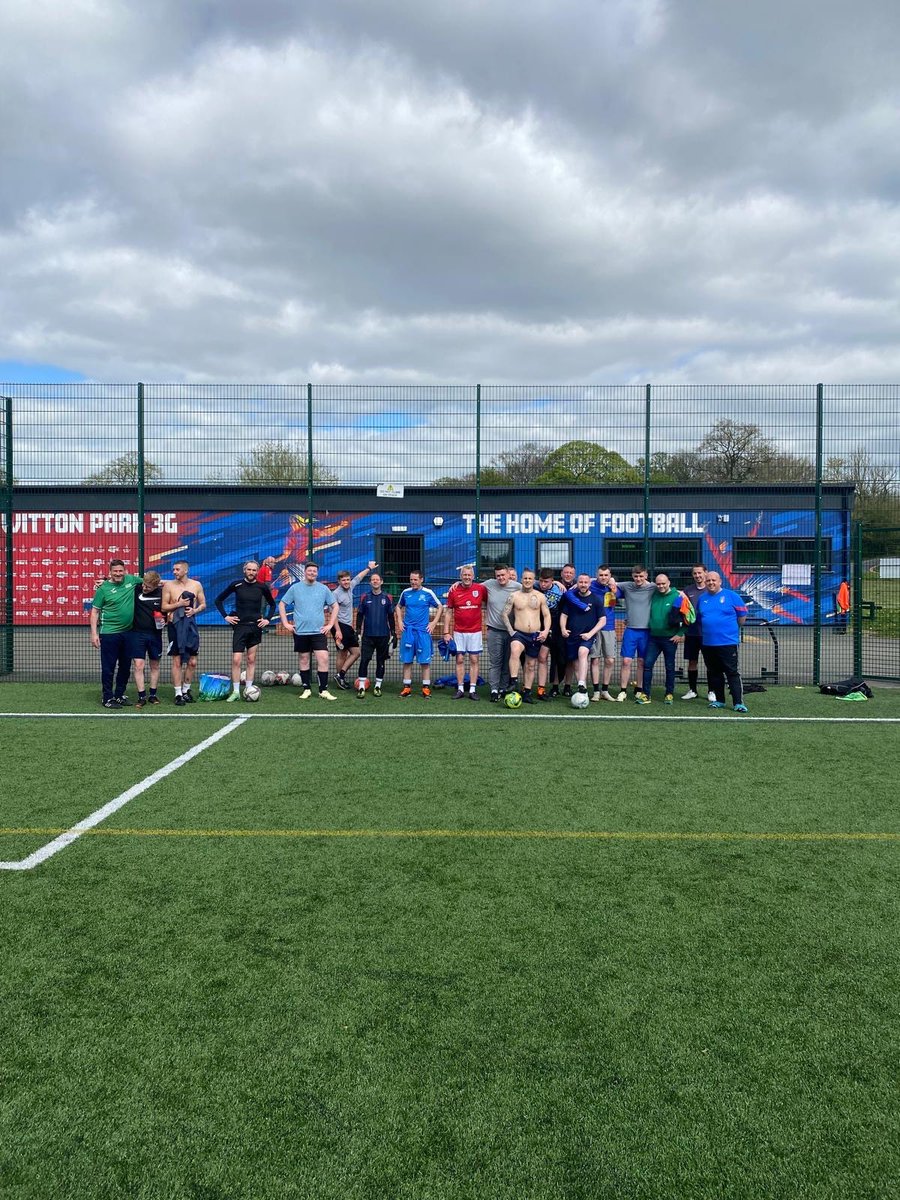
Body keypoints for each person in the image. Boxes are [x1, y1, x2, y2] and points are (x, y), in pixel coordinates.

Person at [214, 560, 277, 702]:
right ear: (244, 570)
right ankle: (236, 691)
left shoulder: (262, 587)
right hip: (240, 627)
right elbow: (218, 600)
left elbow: (272, 604)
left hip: (255, 627)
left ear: (257, 571)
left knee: (251, 659)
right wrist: (226, 616)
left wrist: (267, 619)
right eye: (249, 570)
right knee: (236, 660)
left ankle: (249, 688)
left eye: (254, 570)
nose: (251, 572)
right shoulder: (236, 585)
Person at [278, 561, 339, 700]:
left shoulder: (323, 588)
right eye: (310, 570)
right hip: (300, 632)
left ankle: (323, 690)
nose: (312, 573)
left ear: (317, 573)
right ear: (305, 572)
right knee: (304, 659)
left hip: (319, 632)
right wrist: (286, 623)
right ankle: (306, 689)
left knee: (323, 658)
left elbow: (335, 606)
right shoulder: (295, 588)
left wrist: (330, 625)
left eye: (314, 571)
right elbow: (282, 604)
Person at [90, 559, 142, 708]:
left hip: (128, 633)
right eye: (115, 571)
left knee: (125, 666)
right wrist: (94, 634)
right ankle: (107, 697)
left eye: (121, 571)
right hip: (109, 634)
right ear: (110, 573)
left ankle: (119, 695)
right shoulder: (102, 589)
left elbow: (152, 582)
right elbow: (94, 612)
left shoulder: (131, 580)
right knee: (108, 667)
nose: (118, 574)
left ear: (125, 571)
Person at [635, 574, 694, 705]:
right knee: (647, 665)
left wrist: (680, 633)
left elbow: (689, 618)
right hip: (653, 638)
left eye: (663, 583)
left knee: (670, 667)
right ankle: (645, 694)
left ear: (669, 582)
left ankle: (669, 694)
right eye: (658, 584)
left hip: (670, 639)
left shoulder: (678, 596)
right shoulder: (654, 594)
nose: (661, 586)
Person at [696, 571, 749, 712]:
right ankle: (720, 700)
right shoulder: (702, 599)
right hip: (708, 643)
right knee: (714, 672)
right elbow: (701, 619)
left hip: (728, 643)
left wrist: (728, 630)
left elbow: (742, 617)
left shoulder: (732, 596)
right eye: (708, 581)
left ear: (720, 582)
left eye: (714, 580)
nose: (711, 583)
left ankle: (738, 703)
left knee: (732, 672)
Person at [162, 560, 206, 706]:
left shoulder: (196, 585)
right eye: (173, 569)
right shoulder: (168, 585)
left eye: (177, 569)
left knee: (192, 661)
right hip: (174, 627)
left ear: (185, 570)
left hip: (191, 626)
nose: (174, 572)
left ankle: (186, 690)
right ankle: (178, 693)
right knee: (177, 661)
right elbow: (164, 607)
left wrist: (195, 610)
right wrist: (179, 604)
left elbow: (203, 604)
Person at [503, 569, 551, 703]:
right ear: (521, 579)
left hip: (535, 635)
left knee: (530, 665)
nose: (527, 581)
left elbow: (546, 615)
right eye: (525, 578)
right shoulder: (514, 596)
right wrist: (511, 630)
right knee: (515, 650)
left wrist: (546, 631)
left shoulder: (540, 596)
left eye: (530, 578)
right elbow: (504, 614)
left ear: (534, 580)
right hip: (519, 633)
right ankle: (513, 681)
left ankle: (527, 693)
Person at [443, 565, 488, 700]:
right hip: (459, 632)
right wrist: (446, 632)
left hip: (475, 631)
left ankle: (473, 690)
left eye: (469, 575)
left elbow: (488, 604)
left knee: (474, 659)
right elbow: (449, 611)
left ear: (473, 576)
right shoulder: (454, 590)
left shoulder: (480, 589)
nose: (467, 577)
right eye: (464, 575)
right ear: (460, 576)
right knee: (460, 659)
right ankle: (460, 688)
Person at [396, 571, 442, 698]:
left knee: (425, 662)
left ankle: (426, 688)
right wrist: (399, 621)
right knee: (407, 661)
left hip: (423, 632)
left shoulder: (428, 593)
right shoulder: (405, 593)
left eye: (415, 580)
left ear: (421, 580)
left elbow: (440, 607)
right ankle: (406, 688)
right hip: (408, 632)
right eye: (411, 579)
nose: (413, 582)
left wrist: (434, 623)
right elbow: (398, 607)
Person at [559, 574, 607, 697]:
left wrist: (590, 633)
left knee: (582, 652)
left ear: (589, 584)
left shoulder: (596, 599)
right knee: (576, 664)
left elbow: (603, 620)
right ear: (577, 584)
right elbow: (564, 615)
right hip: (572, 636)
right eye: (581, 582)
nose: (583, 584)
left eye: (586, 582)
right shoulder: (572, 599)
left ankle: (580, 682)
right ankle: (583, 690)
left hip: (588, 636)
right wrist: (563, 628)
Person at [331, 561, 377, 689]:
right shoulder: (335, 594)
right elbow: (333, 615)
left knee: (353, 652)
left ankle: (340, 676)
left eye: (347, 579)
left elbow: (359, 577)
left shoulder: (351, 586)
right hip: (340, 626)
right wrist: (338, 631)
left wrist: (369, 568)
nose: (346, 582)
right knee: (344, 653)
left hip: (347, 626)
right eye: (343, 580)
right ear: (339, 581)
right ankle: (340, 677)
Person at [614, 566, 655, 702]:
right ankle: (623, 690)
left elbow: (669, 590)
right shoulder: (627, 586)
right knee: (626, 661)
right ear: (632, 576)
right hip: (631, 630)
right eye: (636, 576)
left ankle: (639, 689)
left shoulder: (653, 587)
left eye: (641, 576)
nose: (638, 579)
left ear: (646, 575)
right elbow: (608, 580)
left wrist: (683, 594)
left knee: (642, 662)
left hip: (646, 631)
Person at [482, 564, 521, 702]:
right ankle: (493, 689)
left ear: (508, 575)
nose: (500, 578)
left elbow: (533, 586)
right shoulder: (489, 584)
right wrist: (457, 583)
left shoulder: (517, 586)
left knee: (507, 662)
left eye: (503, 575)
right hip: (494, 630)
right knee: (495, 662)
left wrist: (557, 582)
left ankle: (503, 688)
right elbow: (472, 587)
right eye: (498, 575)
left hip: (511, 632)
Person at [355, 573, 396, 697]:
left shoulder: (387, 597)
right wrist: (358, 631)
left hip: (383, 635)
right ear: (370, 582)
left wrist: (393, 634)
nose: (375, 581)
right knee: (364, 660)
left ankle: (378, 686)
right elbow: (360, 615)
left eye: (377, 580)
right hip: (368, 636)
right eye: (373, 580)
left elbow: (390, 617)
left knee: (381, 661)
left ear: (381, 582)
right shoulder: (364, 597)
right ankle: (361, 687)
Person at [130, 570, 165, 709]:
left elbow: (168, 611)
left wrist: (165, 619)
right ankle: (141, 696)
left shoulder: (162, 594)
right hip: (137, 634)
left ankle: (153, 694)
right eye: (144, 584)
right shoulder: (136, 589)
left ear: (156, 586)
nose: (144, 588)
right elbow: (125, 580)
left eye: (148, 587)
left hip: (155, 635)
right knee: (139, 665)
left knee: (155, 665)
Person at [587, 565, 619, 702]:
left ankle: (605, 690)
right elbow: (575, 587)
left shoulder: (615, 588)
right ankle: (595, 691)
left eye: (606, 575)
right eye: (601, 575)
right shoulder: (590, 585)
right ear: (596, 575)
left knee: (610, 660)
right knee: (595, 659)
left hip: (609, 627)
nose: (603, 577)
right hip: (593, 628)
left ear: (610, 575)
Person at [535, 569, 565, 698]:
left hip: (557, 626)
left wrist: (558, 582)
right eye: (541, 581)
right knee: (541, 657)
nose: (543, 584)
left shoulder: (560, 591)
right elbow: (523, 581)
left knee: (559, 659)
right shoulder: (535, 587)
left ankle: (556, 686)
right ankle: (540, 688)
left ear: (552, 580)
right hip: (540, 625)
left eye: (546, 582)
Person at [680, 564, 708, 699]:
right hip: (691, 633)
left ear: (705, 573)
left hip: (708, 634)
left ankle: (712, 691)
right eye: (695, 573)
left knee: (711, 663)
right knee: (692, 662)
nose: (697, 576)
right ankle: (693, 690)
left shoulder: (711, 589)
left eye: (700, 573)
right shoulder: (688, 590)